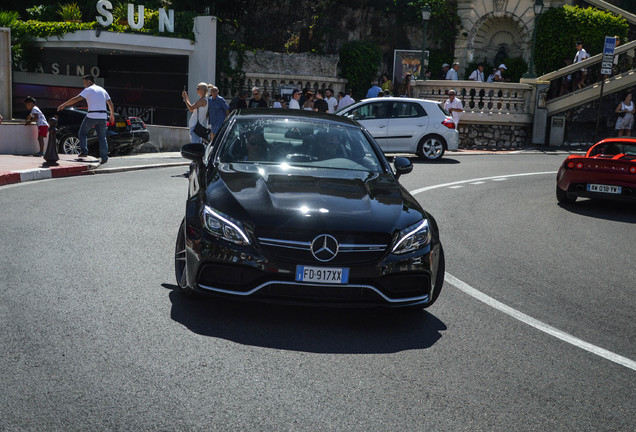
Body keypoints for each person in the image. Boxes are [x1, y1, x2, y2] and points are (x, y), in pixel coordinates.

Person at [57, 74, 115, 163]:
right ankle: (104, 157)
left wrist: (64, 104)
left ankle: (84, 151)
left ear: (89, 81)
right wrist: (111, 115)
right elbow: (110, 103)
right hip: (103, 116)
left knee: (82, 133)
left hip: (92, 116)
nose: (84, 85)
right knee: (102, 137)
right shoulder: (102, 90)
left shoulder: (88, 90)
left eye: (84, 82)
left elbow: (76, 99)